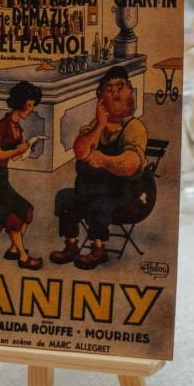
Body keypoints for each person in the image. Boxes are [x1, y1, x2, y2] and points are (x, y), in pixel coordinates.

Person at [50, 66, 147, 270]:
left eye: (121, 86)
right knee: (65, 197)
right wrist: (99, 125)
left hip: (120, 192)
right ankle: (71, 245)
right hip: (88, 189)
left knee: (98, 205)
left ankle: (98, 249)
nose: (115, 92)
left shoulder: (134, 127)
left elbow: (131, 162)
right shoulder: (95, 125)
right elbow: (81, 151)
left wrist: (103, 160)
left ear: (130, 90)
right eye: (109, 87)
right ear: (99, 96)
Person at [0, 80, 43, 270]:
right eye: (29, 104)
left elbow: (13, 157)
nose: (31, 109)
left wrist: (26, 149)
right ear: (20, 102)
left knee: (27, 210)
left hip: (2, 174)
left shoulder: (17, 127)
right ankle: (23, 257)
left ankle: (14, 248)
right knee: (13, 217)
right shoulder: (3, 125)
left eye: (33, 105)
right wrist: (18, 150)